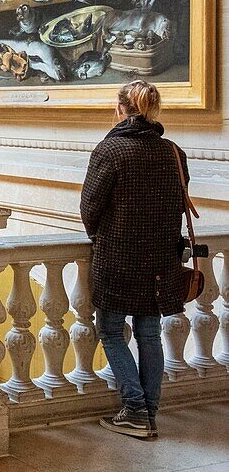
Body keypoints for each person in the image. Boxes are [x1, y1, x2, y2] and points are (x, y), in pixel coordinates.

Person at [80, 80, 187, 439]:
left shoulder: (110, 150)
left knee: (111, 331)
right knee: (149, 334)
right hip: (160, 260)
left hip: (118, 257)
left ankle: (136, 409)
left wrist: (103, 234)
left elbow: (90, 208)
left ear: (120, 108)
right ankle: (150, 411)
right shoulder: (173, 151)